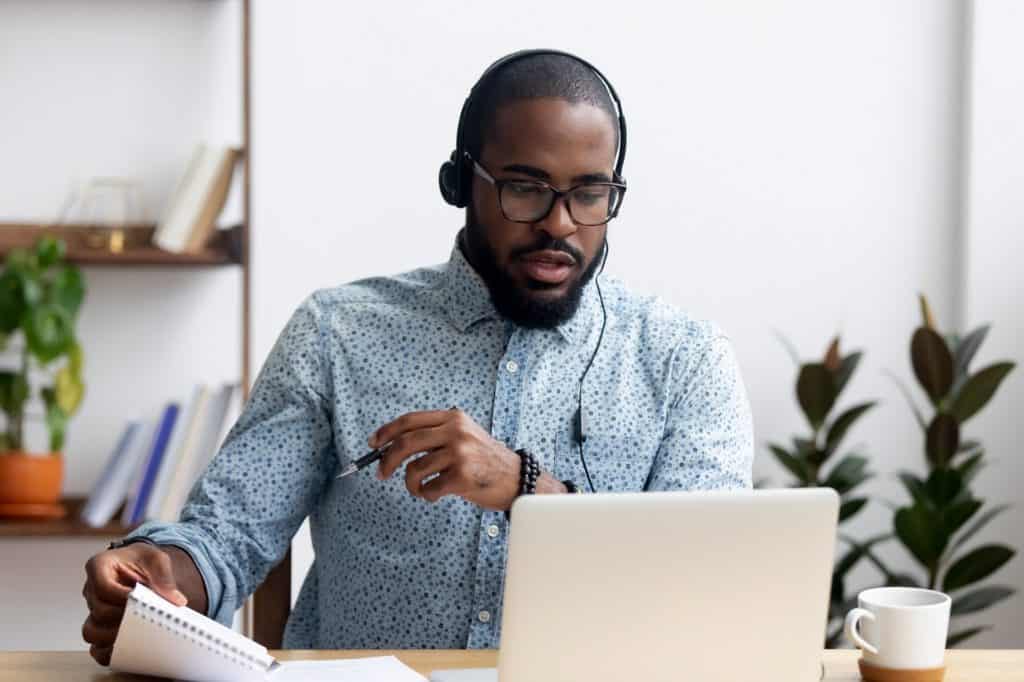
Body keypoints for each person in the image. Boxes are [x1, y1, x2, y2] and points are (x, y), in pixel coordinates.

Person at [81, 50, 754, 664]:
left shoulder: (685, 361)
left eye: (589, 193)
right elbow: (228, 535)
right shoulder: (337, 332)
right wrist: (157, 577)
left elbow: (703, 587)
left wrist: (527, 489)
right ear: (460, 183)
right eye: (525, 188)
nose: (560, 223)